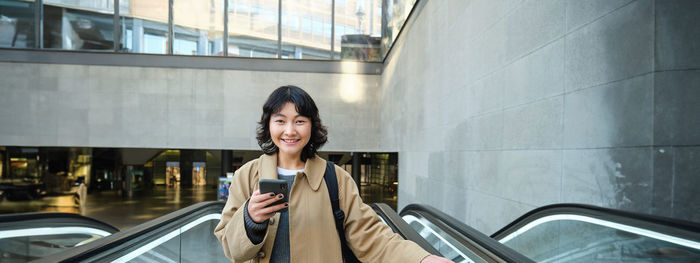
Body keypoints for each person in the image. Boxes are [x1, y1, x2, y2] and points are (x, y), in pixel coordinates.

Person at [214, 86, 452, 263]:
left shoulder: (336, 179)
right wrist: (250, 219)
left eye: (299, 121)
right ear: (268, 126)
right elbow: (232, 250)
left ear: (312, 126)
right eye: (280, 121)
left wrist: (421, 259)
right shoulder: (247, 176)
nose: (289, 131)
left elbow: (372, 237)